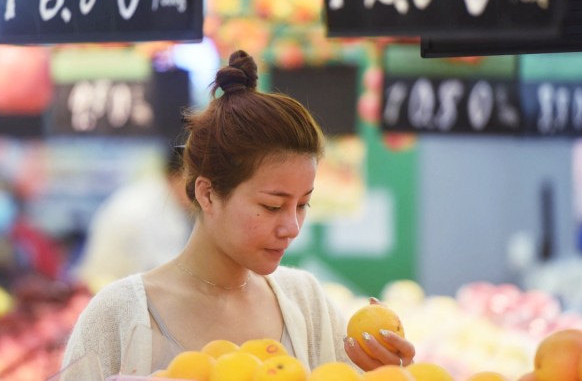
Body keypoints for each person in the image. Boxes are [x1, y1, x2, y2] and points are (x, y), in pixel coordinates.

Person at [61, 50, 416, 377]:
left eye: (303, 204)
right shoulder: (117, 316)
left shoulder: (306, 304)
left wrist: (386, 371)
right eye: (272, 206)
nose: (292, 227)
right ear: (208, 193)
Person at [72, 149, 191, 293]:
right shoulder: (144, 209)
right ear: (176, 176)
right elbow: (162, 275)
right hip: (109, 294)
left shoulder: (160, 198)